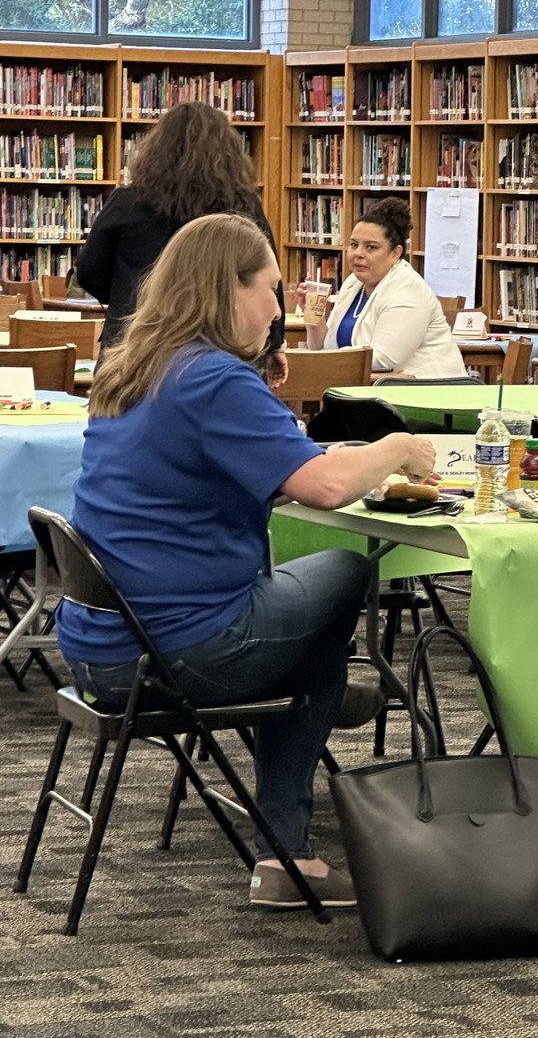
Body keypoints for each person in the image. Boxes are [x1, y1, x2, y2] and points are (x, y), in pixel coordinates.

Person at [55, 213, 439, 910]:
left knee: (305, 618)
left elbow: (290, 459)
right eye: (271, 289)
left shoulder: (133, 367)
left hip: (94, 646)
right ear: (225, 291)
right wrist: (396, 447)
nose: (279, 311)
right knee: (344, 574)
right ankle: (286, 848)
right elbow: (322, 486)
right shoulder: (212, 380)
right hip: (180, 650)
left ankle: (314, 703)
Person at [75, 100, 288, 388]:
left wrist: (131, 295)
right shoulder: (244, 207)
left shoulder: (127, 202)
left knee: (122, 421)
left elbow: (89, 271)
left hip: (133, 344)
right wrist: (274, 343)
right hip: (221, 346)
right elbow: (268, 278)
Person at [303, 196, 467, 379]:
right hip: (363, 389)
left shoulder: (407, 289)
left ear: (395, 254)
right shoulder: (354, 283)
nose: (358, 254)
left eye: (371, 247)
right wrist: (312, 312)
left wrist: (325, 365)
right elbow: (322, 348)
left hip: (423, 393)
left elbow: (383, 360)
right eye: (354, 245)